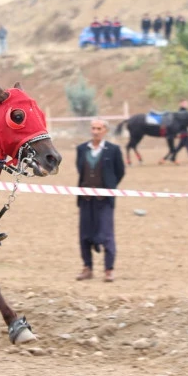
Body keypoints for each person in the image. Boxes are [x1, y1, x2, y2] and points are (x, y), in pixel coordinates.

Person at [75, 119, 124, 282]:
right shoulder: (82, 149)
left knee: (106, 234)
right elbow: (80, 169)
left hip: (104, 200)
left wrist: (109, 186)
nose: (95, 131)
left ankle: (109, 270)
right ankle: (87, 268)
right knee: (84, 234)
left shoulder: (113, 150)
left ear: (105, 131)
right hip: (86, 199)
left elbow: (120, 171)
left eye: (99, 128)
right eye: (93, 128)